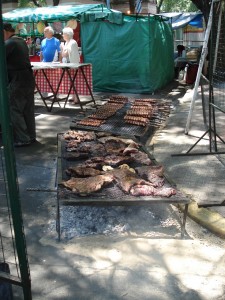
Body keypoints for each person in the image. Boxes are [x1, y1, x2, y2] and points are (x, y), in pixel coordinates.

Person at [3, 23, 36, 147]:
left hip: (18, 80)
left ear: (4, 31)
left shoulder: (10, 43)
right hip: (27, 78)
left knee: (14, 109)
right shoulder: (20, 41)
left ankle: (23, 138)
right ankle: (31, 136)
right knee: (28, 109)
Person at [61, 27, 80, 103]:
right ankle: (73, 97)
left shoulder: (71, 42)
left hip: (72, 66)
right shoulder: (69, 42)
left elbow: (64, 54)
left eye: (63, 34)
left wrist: (62, 47)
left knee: (74, 82)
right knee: (72, 82)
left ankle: (76, 98)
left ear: (67, 35)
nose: (62, 35)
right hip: (71, 65)